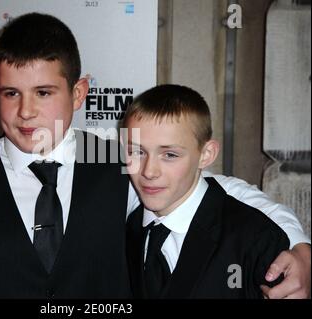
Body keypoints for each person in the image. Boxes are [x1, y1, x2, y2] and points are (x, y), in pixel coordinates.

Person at [0, 13, 310, 299]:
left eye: (43, 93)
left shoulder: (112, 158)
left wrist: (300, 247)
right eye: (10, 93)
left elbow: (212, 192)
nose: (25, 112)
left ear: (78, 93)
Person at [124, 84, 291, 298]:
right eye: (136, 151)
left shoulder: (255, 240)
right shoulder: (126, 229)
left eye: (170, 155)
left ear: (206, 154)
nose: (149, 171)